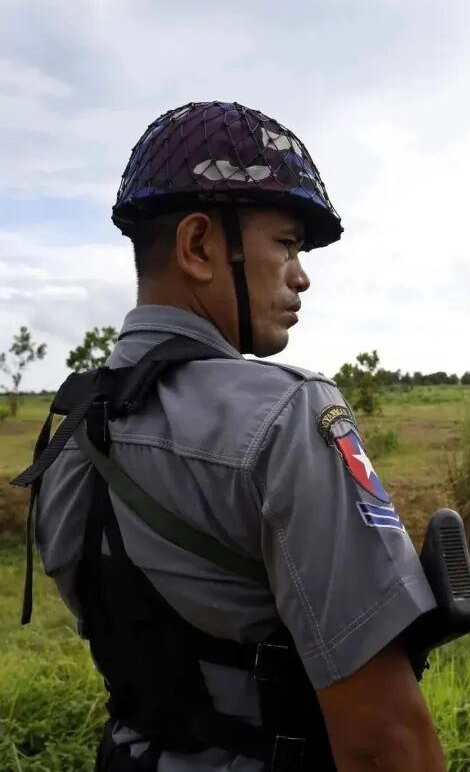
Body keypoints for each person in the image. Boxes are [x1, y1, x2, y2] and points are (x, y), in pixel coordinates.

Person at [13, 102, 446, 771]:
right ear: (197, 247)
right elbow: (385, 741)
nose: (301, 275)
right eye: (286, 243)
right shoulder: (290, 416)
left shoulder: (65, 434)